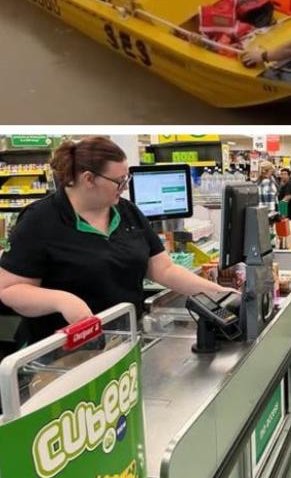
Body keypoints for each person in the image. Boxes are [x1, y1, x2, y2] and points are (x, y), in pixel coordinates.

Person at [0, 137, 229, 344]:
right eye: (119, 181)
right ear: (89, 179)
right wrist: (61, 300)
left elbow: (164, 270)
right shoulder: (40, 220)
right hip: (58, 353)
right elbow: (10, 290)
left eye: (126, 178)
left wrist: (215, 291)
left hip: (121, 341)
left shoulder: (127, 212)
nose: (126, 187)